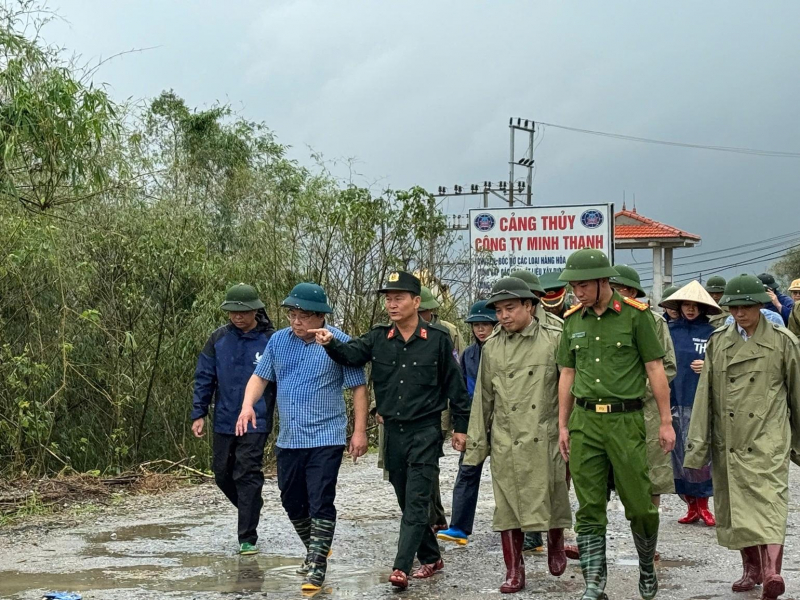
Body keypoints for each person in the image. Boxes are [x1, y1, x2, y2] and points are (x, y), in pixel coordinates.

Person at [309, 271, 471, 590]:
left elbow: (457, 389)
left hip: (425, 430)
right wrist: (330, 343)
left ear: (415, 301)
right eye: (388, 298)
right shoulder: (379, 337)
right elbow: (352, 354)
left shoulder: (437, 341)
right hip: (392, 432)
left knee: (416, 499)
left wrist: (461, 428)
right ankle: (431, 555)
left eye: (398, 298)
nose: (392, 304)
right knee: (403, 494)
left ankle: (401, 567)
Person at [556, 249, 675, 600]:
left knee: (639, 504)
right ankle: (594, 583)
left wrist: (666, 422)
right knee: (589, 505)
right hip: (585, 422)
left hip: (626, 420)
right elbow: (567, 373)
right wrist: (564, 425)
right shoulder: (573, 320)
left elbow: (656, 369)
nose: (576, 292)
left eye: (582, 285)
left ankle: (646, 566)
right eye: (573, 286)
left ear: (602, 280)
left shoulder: (637, 317)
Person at [235, 283, 368, 591]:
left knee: (321, 499)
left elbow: (358, 388)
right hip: (289, 439)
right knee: (292, 500)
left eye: (304, 316)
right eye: (293, 314)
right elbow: (260, 376)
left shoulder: (338, 343)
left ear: (320, 316)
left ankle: (318, 565)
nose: (296, 322)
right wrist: (247, 406)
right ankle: (316, 548)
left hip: (326, 437)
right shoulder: (279, 341)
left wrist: (359, 432)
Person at [685, 274, 800, 600]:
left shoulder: (783, 341)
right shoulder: (719, 342)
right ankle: (750, 569)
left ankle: (772, 571)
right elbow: (705, 394)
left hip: (768, 437)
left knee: (770, 503)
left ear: (760, 305)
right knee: (737, 507)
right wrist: (698, 446)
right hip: (731, 438)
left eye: (746, 306)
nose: (739, 313)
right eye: (733, 307)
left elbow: (797, 395)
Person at [463, 277, 572, 593]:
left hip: (545, 433)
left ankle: (555, 541)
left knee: (552, 495)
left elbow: (570, 389)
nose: (503, 316)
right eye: (498, 310)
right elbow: (483, 399)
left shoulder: (554, 338)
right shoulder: (493, 346)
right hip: (506, 437)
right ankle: (514, 570)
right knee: (507, 505)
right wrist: (476, 446)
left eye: (509, 308)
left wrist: (570, 432)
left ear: (529, 305)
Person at [190, 283, 276, 556]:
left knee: (246, 473)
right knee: (221, 474)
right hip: (225, 418)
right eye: (232, 313)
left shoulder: (271, 340)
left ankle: (247, 537)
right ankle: (251, 507)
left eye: (243, 312)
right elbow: (205, 376)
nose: (237, 317)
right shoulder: (218, 339)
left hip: (256, 419)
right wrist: (199, 412)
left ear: (255, 310)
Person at [610, 265, 677, 519]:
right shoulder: (592, 322)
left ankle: (648, 539)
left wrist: (635, 390)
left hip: (644, 409)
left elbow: (667, 366)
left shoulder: (653, 321)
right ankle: (596, 546)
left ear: (630, 291)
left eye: (617, 289)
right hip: (606, 412)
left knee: (651, 476)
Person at [658, 281, 719, 527]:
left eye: (695, 306)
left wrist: (709, 367)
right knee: (678, 454)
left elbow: (726, 365)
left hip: (700, 402)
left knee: (701, 452)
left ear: (703, 308)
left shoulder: (713, 334)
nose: (690, 309)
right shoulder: (669, 331)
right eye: (686, 304)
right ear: (679, 306)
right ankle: (690, 505)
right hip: (674, 401)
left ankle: (704, 505)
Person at [509, 269, 562, 552]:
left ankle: (553, 533)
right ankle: (529, 532)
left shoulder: (556, 329)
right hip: (516, 417)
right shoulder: (503, 329)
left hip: (548, 416)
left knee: (554, 481)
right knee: (519, 477)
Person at [438, 300, 498, 546]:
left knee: (512, 476)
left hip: (506, 420)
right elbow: (460, 393)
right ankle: (460, 527)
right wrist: (458, 427)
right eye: (476, 325)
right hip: (475, 421)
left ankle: (530, 533)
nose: (480, 330)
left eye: (485, 325)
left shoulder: (505, 349)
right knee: (467, 471)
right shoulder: (469, 355)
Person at [417, 285, 464, 532]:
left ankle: (432, 516)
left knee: (428, 464)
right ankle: (429, 515)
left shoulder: (447, 332)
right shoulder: (395, 330)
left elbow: (459, 371)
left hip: (439, 408)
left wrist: (460, 420)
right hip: (410, 409)